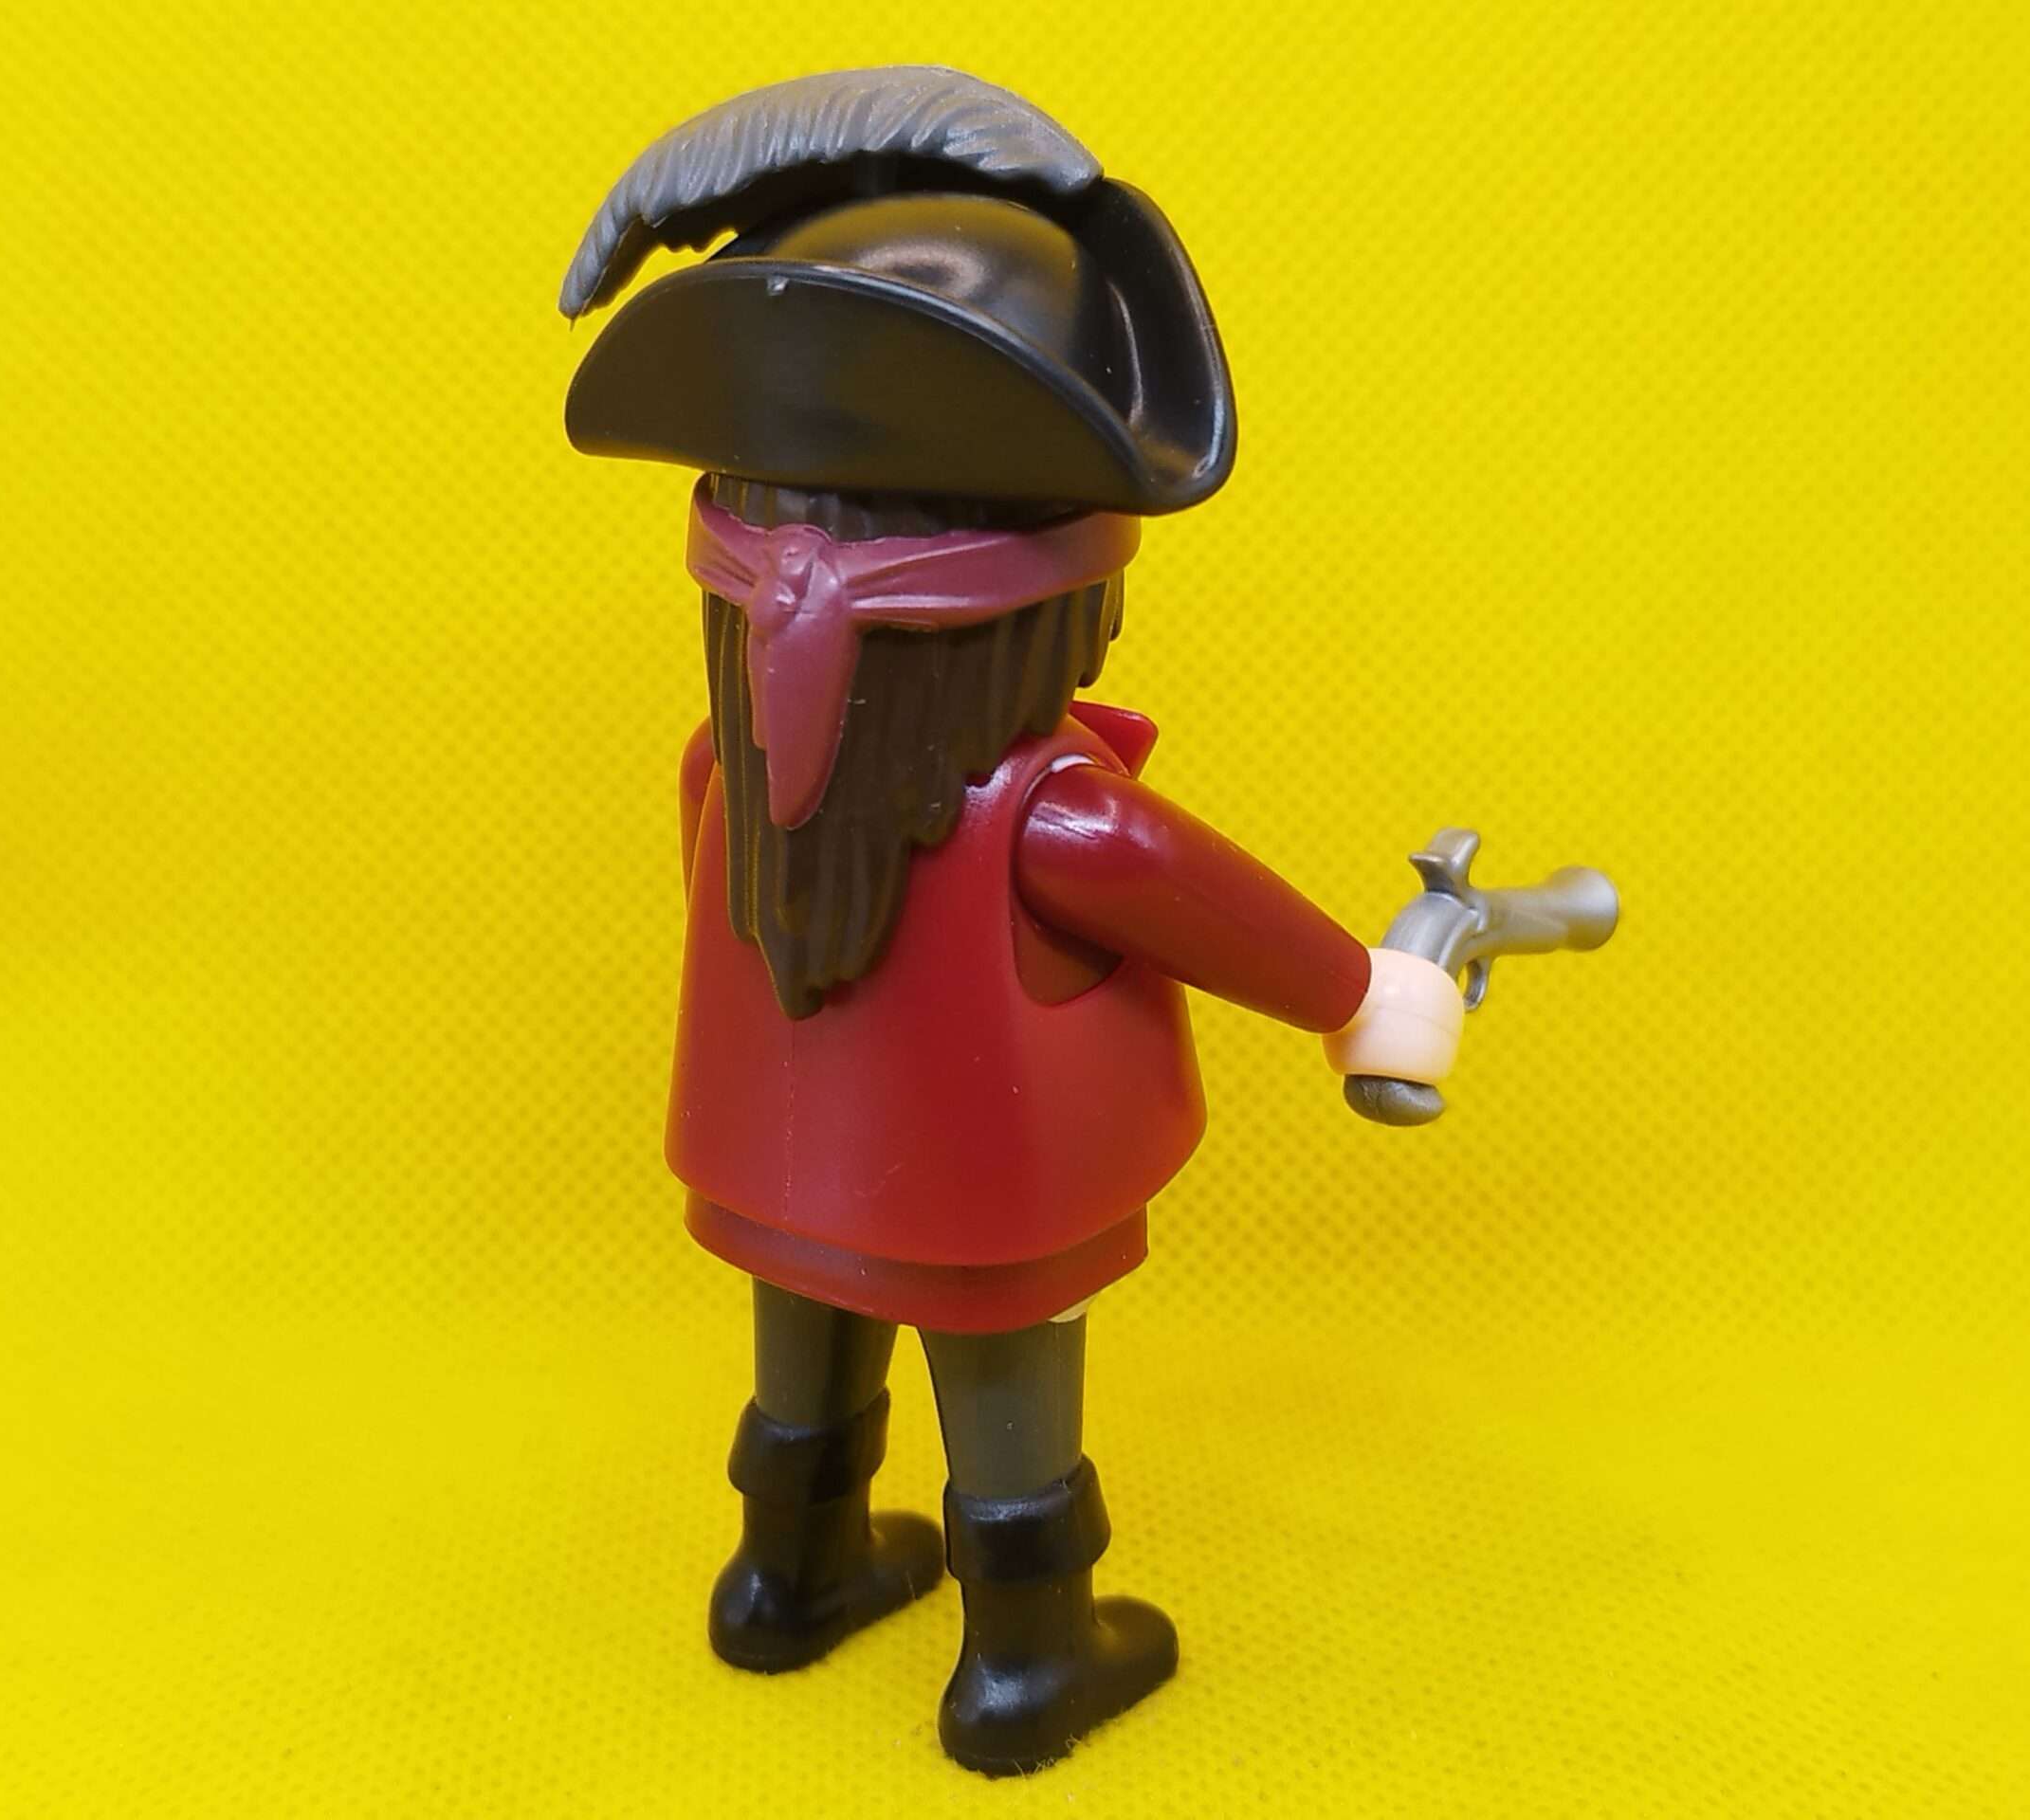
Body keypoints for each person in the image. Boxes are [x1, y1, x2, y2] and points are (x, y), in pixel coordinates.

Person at [560, 65, 1461, 1774]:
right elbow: (1259, 938)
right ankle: (1029, 1658)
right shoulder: (1062, 816)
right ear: (1068, 592)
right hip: (988, 1200)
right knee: (1005, 1392)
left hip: (772, 1163)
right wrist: (1378, 995)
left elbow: (722, 912)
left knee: (804, 1341)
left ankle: (784, 1576)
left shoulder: (722, 769)